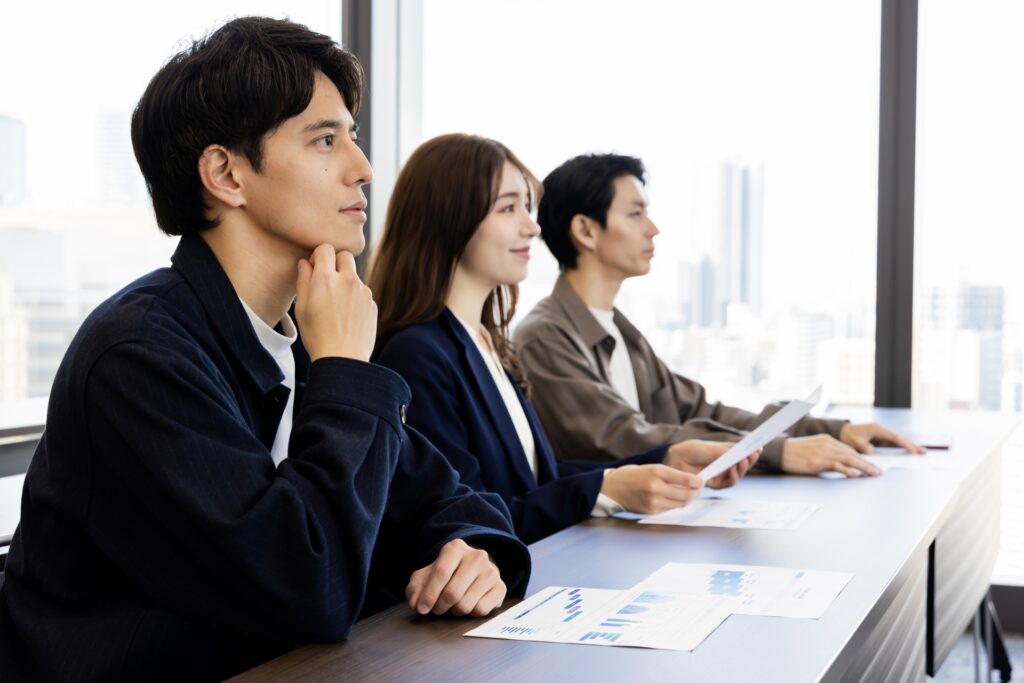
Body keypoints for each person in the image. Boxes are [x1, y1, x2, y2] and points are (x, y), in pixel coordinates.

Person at [0, 18, 529, 681]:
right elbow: (306, 588)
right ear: (226, 174)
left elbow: (450, 498)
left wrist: (474, 551)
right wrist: (345, 370)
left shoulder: (296, 336)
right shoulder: (140, 354)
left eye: (353, 138)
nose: (363, 169)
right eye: (326, 140)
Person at [368, 134, 757, 545]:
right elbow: (468, 520)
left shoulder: (487, 343)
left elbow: (537, 479)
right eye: (508, 208)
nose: (531, 226)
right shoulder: (417, 355)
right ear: (449, 217)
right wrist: (607, 489)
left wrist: (663, 459)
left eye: (527, 207)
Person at [514, 153, 925, 476]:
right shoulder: (545, 336)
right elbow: (621, 437)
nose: (653, 228)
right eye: (635, 213)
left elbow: (700, 412)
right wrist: (779, 451)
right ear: (585, 231)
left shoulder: (619, 329)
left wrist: (831, 430)